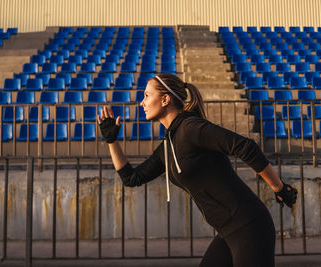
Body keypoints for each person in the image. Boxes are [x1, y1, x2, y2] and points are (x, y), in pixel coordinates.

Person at [97, 73, 297, 267]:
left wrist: (279, 188)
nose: (142, 102)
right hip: (227, 232)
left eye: (147, 96)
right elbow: (132, 178)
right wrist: (111, 141)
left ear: (165, 99)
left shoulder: (191, 127)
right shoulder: (168, 145)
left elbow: (246, 147)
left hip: (249, 226)